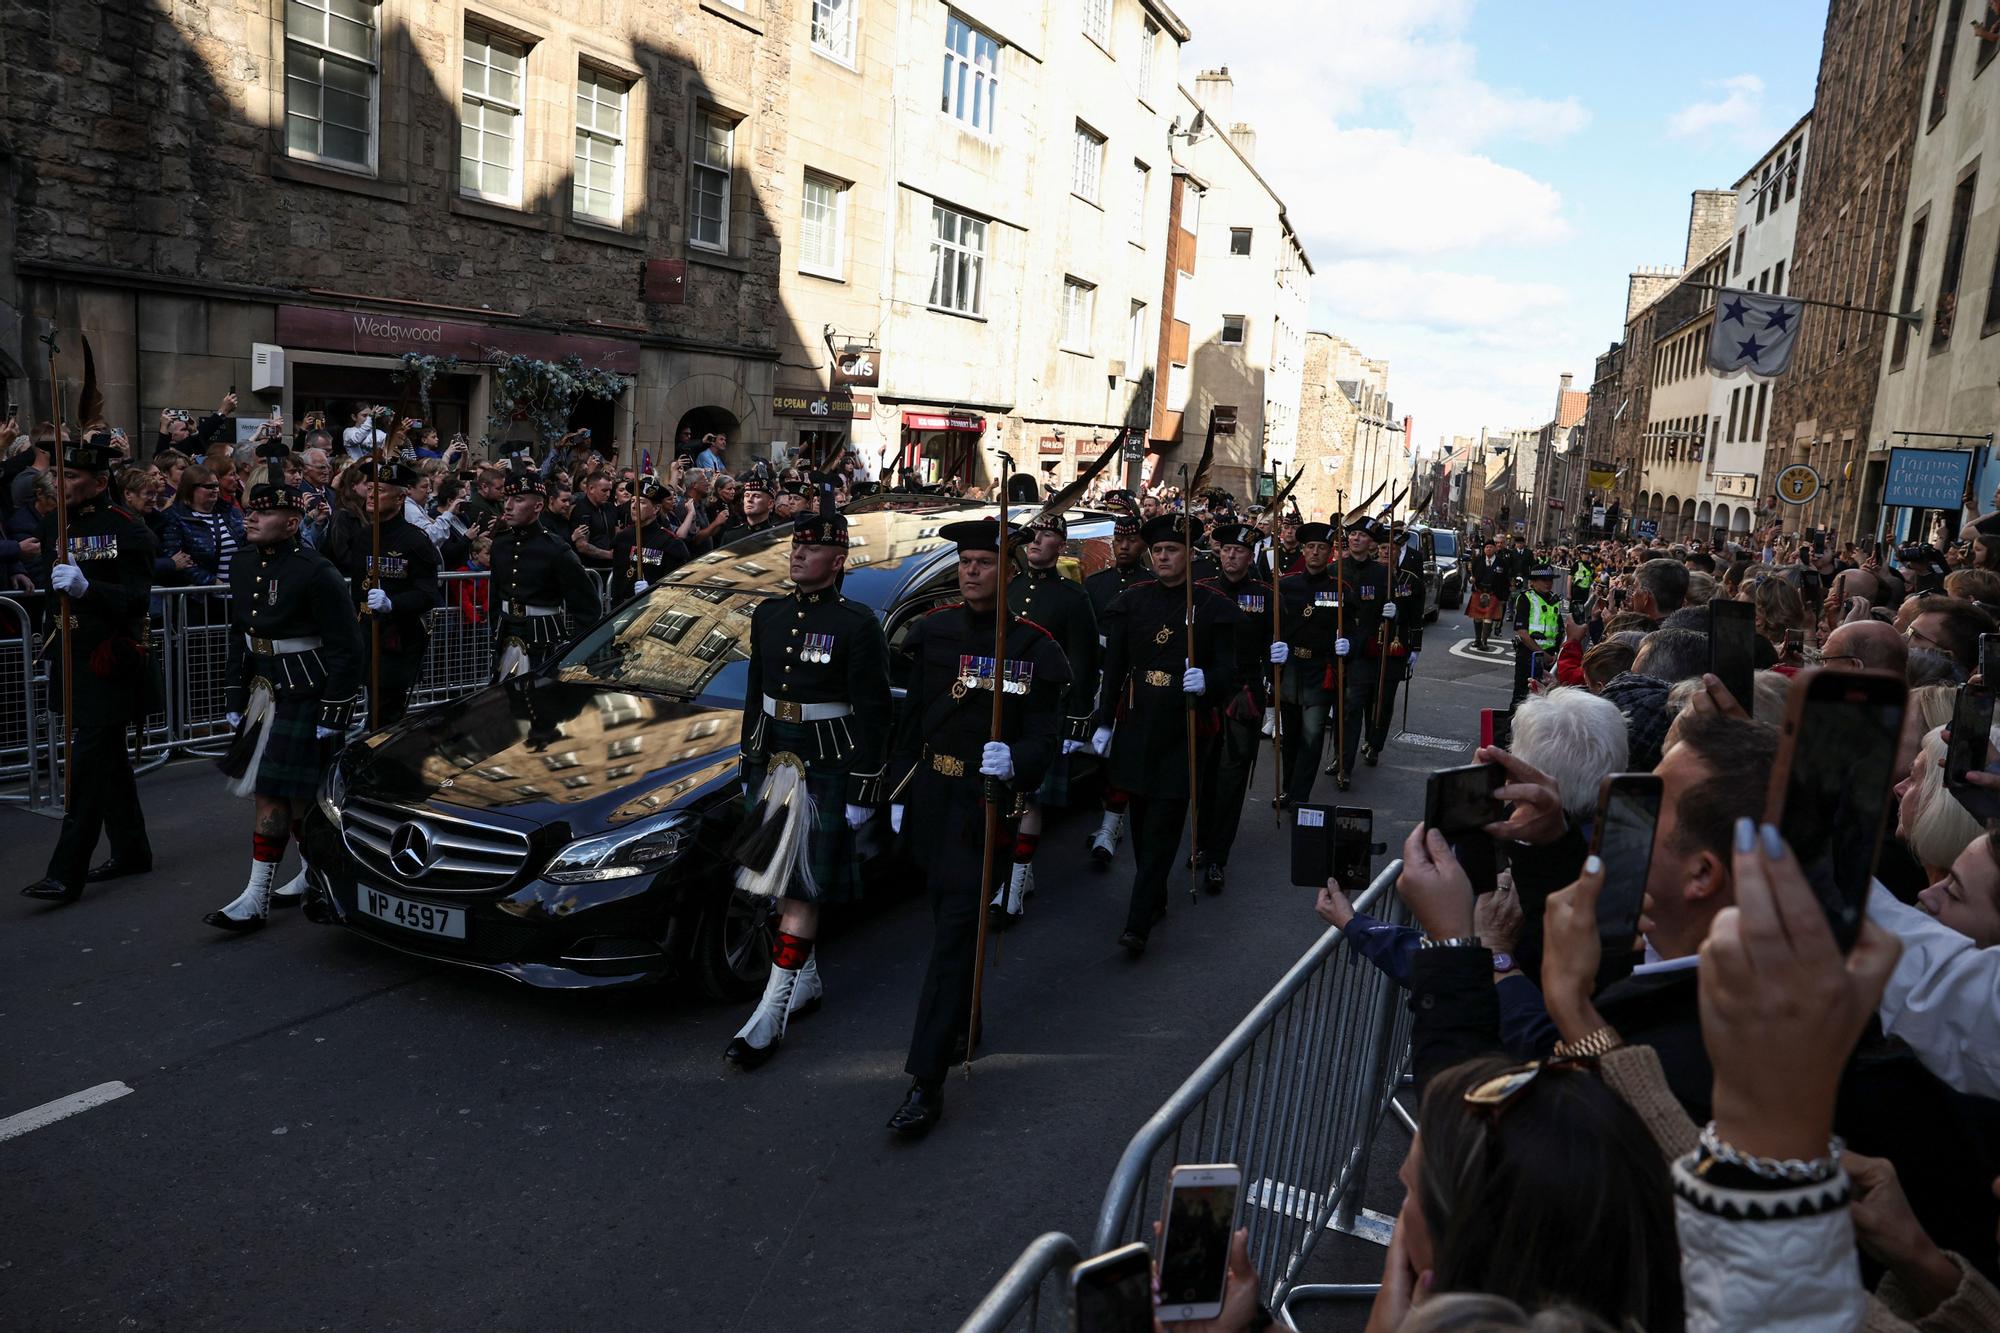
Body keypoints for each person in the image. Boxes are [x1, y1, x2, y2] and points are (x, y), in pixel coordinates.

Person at [885, 517, 1068, 1137]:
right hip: (933, 794)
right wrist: (897, 791)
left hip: (983, 802)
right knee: (945, 918)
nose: (971, 571)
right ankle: (966, 1012)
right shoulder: (932, 634)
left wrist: (1017, 759)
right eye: (965, 561)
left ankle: (925, 1080)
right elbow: (911, 720)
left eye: (985, 562)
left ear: (1009, 572)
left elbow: (1047, 730)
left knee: (953, 936)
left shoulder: (1034, 647)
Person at [724, 501, 891, 1070]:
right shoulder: (768, 613)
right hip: (774, 759)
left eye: (812, 547)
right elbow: (755, 692)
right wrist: (751, 756)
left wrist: (866, 787)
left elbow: (873, 710)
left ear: (838, 559)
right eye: (796, 545)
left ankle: (771, 1012)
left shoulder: (857, 623)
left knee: (799, 891)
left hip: (829, 762)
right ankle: (807, 980)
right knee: (773, 885)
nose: (797, 554)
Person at [203, 482, 363, 931]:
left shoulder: (316, 571)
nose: (250, 518)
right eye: (250, 510)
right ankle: (315, 873)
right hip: (263, 691)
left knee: (272, 792)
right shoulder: (243, 561)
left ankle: (256, 897)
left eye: (264, 512)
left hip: (305, 692)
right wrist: (235, 695)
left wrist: (335, 711)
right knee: (296, 800)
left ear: (292, 522)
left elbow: (346, 648)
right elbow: (242, 634)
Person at [1089, 513, 1238, 956]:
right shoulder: (1133, 601)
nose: (1163, 557)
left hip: (1183, 729)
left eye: (1172, 550)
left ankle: (1137, 923)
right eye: (1157, 551)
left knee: (1164, 827)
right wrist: (1102, 721)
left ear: (1190, 556)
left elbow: (1229, 671)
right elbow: (1114, 666)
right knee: (1139, 823)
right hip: (1138, 724)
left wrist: (1206, 681)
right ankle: (1154, 898)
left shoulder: (1211, 606)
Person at [20, 436, 160, 903]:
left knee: (86, 768)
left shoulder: (128, 528)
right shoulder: (50, 524)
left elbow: (139, 601)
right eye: (58, 475)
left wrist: (88, 588)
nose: (61, 483)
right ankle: (132, 850)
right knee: (110, 764)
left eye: (72, 476)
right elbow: (47, 597)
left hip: (110, 661)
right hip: (71, 655)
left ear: (100, 482)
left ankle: (65, 873)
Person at [999, 510, 1098, 921]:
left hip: (1042, 709)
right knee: (1000, 795)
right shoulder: (1010, 586)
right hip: (1002, 703)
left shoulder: (1073, 598)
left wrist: (1076, 720)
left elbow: (1084, 661)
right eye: (1033, 535)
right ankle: (1011, 870)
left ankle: (1017, 879)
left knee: (1027, 797)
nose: (1037, 541)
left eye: (1047, 535)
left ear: (1062, 545)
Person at [320, 457, 443, 729]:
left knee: (387, 709)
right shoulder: (364, 536)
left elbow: (427, 593)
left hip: (396, 638)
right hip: (364, 632)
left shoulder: (415, 540)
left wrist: (393, 604)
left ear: (400, 498)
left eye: (382, 490)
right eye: (371, 488)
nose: (372, 495)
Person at [1080, 503, 1150, 863]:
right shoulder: (1095, 584)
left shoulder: (1151, 587)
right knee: (1092, 752)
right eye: (1119, 539)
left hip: (1131, 682)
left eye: (1132, 540)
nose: (1124, 546)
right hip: (1097, 676)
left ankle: (1111, 824)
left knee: (1121, 754)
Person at [487, 469, 600, 680]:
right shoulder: (500, 544)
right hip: (505, 635)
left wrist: (575, 655)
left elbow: (587, 608)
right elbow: (495, 595)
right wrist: (496, 626)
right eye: (507, 498)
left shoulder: (555, 549)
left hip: (543, 640)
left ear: (538, 506)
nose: (508, 506)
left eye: (518, 499)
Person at [1271, 520, 1342, 804]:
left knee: (1312, 739)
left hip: (1318, 671)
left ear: (1330, 554)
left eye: (1321, 548)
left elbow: (1352, 629)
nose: (1314, 552)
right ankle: (1288, 788)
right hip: (1290, 669)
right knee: (1290, 739)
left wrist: (1346, 644)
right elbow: (1272, 626)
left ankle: (1300, 795)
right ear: (1303, 550)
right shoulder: (1285, 586)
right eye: (1310, 547)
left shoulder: (1340, 590)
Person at [1322, 517, 1388, 787]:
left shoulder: (1383, 574)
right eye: (1353, 534)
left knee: (1352, 708)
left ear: (1372, 543)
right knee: (1338, 707)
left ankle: (1345, 767)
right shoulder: (1335, 570)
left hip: (1364, 652)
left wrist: (1393, 613)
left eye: (1362, 535)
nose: (1356, 539)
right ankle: (1339, 755)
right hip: (1337, 648)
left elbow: (1393, 612)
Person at [1364, 521, 1423, 765]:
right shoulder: (1367, 574)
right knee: (1368, 697)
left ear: (1400, 552)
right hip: (1369, 646)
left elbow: (1417, 616)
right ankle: (1368, 736)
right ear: (1376, 549)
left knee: (1385, 699)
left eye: (1393, 549)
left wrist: (1415, 648)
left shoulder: (1410, 580)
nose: (1387, 552)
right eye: (1383, 548)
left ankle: (1376, 745)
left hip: (1395, 645)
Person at [608, 479, 690, 601]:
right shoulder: (622, 538)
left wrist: (652, 590)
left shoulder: (669, 542)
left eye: (641, 502)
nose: (634, 506)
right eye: (633, 501)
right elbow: (618, 580)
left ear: (656, 509)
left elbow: (676, 587)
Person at [1510, 562, 1562, 712]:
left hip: (1550, 656)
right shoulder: (1526, 598)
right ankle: (1512, 731)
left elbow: (1558, 629)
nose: (1548, 583)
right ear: (1533, 581)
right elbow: (1522, 633)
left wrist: (1556, 654)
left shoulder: (1554, 600)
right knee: (1522, 697)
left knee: (1545, 699)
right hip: (1529, 655)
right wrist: (1543, 654)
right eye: (1544, 580)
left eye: (1550, 579)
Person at [1466, 538, 1508, 650]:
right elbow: (1471, 576)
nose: (1488, 549)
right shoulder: (1477, 560)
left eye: (1491, 547)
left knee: (1488, 617)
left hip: (1493, 593)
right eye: (1486, 547)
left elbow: (1505, 581)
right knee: (1478, 617)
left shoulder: (1501, 562)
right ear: (1484, 549)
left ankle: (1484, 642)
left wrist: (1504, 597)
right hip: (1479, 591)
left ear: (1495, 549)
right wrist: (1471, 579)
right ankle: (1477, 640)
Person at [719, 476, 781, 544]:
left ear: (770, 504)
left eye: (756, 496)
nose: (749, 500)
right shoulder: (730, 536)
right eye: (747, 495)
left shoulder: (779, 537)